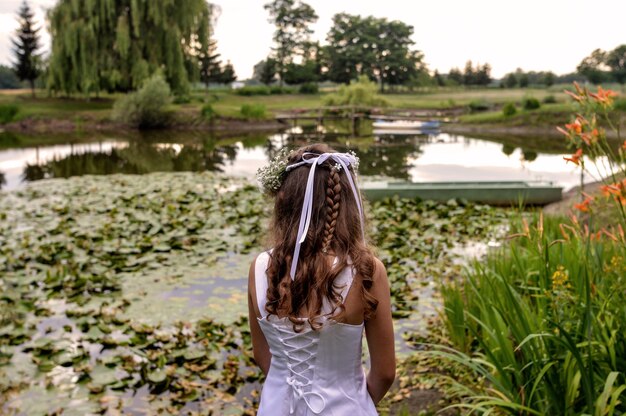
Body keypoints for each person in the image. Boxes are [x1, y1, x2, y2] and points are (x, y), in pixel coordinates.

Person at [247, 143, 396, 415]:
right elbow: (385, 372)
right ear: (347, 203)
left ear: (285, 203)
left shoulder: (259, 267)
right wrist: (356, 402)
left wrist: (284, 390)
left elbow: (261, 355)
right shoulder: (367, 270)